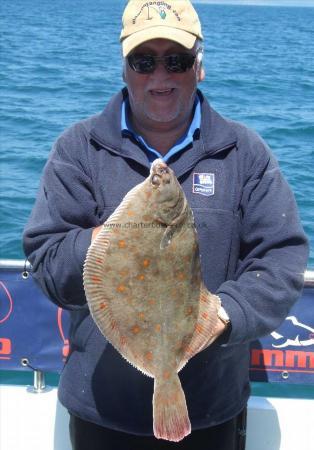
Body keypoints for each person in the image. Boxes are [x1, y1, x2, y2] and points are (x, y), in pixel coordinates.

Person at [23, 1, 309, 449]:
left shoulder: (244, 153)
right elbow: (46, 262)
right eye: (144, 61)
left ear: (199, 67)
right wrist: (107, 243)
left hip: (212, 408)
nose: (160, 76)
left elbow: (282, 257)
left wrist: (223, 316)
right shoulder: (78, 149)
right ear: (124, 68)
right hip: (102, 410)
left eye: (176, 60)